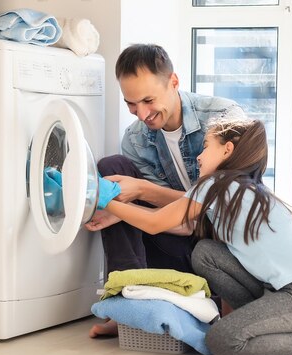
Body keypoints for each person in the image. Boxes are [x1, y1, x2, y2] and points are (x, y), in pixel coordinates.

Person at [91, 118, 292, 355]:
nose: (199, 157)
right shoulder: (238, 188)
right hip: (286, 291)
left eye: (206, 147)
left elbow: (156, 223)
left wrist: (104, 201)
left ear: (227, 150)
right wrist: (124, 209)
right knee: (206, 252)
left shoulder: (216, 185)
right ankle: (250, 320)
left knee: (222, 342)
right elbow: (178, 207)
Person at [85, 44, 244, 337]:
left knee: (129, 198)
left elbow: (223, 207)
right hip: (174, 241)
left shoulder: (223, 118)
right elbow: (171, 223)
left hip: (219, 251)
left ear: (173, 82)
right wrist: (123, 208)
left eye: (148, 100)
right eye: (131, 104)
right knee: (112, 166)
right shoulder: (135, 139)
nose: (142, 114)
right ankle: (127, 304)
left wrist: (142, 192)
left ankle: (196, 304)